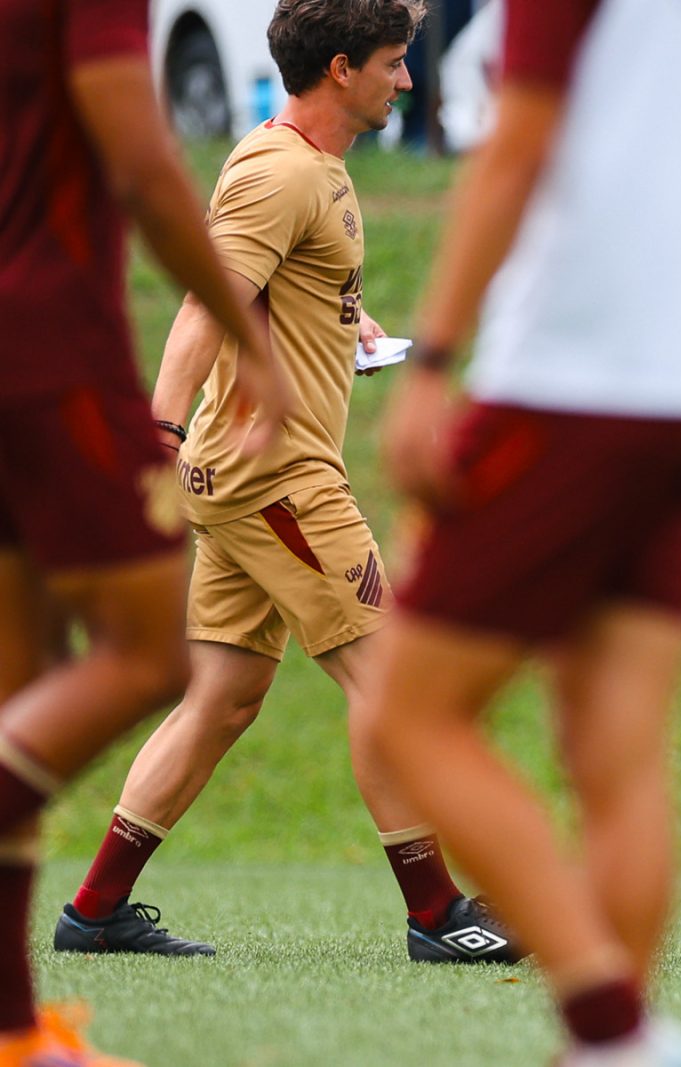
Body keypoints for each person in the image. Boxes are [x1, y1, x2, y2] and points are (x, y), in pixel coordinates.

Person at [46, 0, 518, 967]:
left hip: (246, 476)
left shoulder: (307, 163)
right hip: (277, 477)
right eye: (393, 62)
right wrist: (161, 425)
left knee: (223, 695)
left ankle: (94, 911)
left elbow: (277, 287)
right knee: (392, 683)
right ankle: (436, 913)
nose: (407, 80)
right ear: (341, 68)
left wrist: (350, 325)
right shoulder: (282, 173)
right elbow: (205, 305)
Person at [358, 0, 681, 1060]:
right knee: (613, 752)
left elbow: (520, 144)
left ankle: (616, 1030)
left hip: (577, 380)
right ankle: (613, 1049)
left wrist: (431, 361)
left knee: (406, 717)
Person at [0, 0, 295, 1058]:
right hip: (46, 345)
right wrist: (247, 336)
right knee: (148, 653)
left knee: (25, 685)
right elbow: (137, 155)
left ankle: (11, 1029)